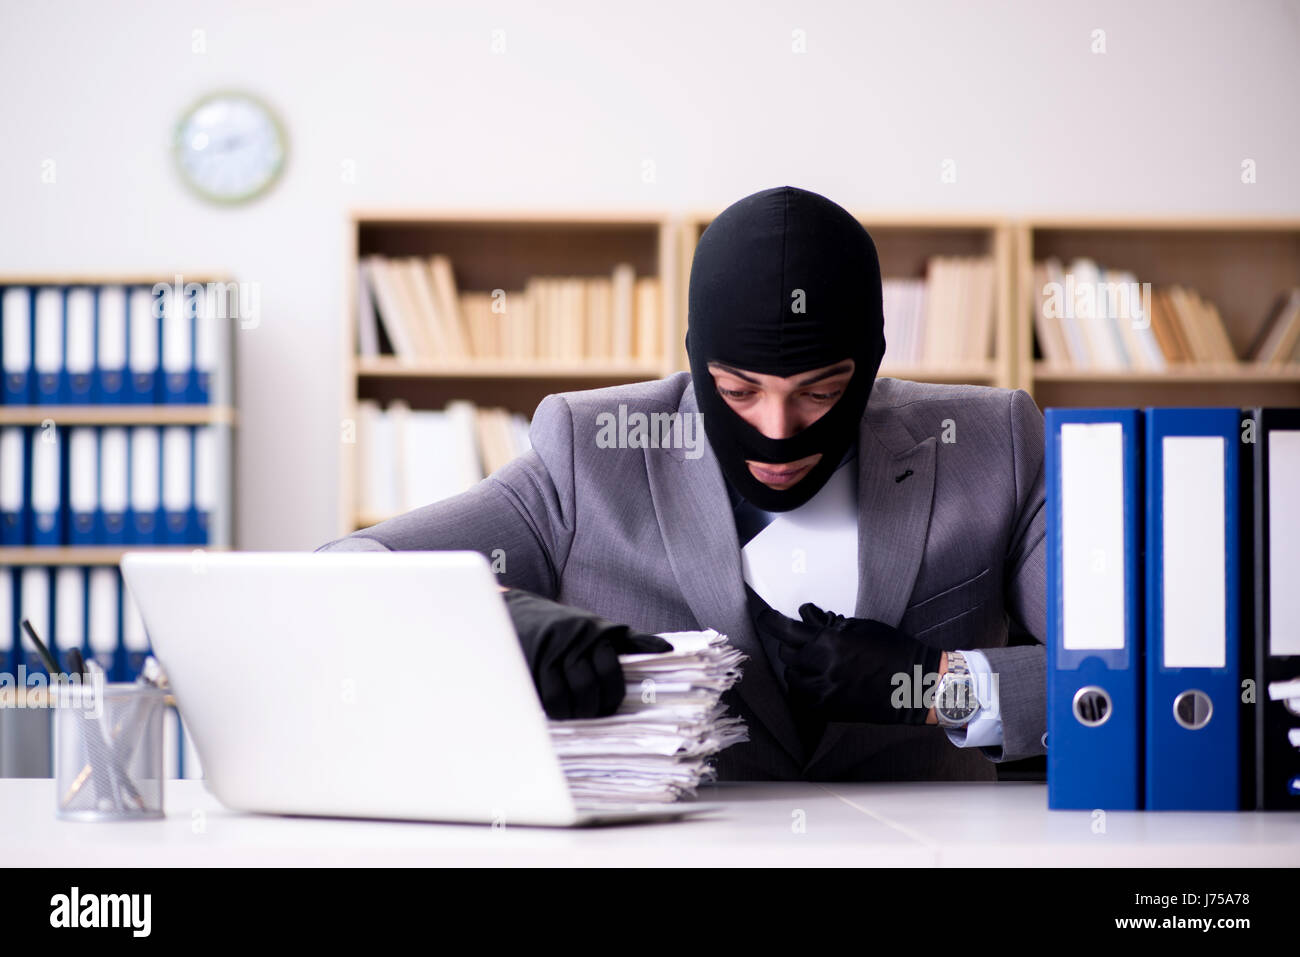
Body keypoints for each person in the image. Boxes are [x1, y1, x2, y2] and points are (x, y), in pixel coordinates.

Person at [316, 186, 1046, 782]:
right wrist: (500, 617)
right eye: (737, 390)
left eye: (820, 392)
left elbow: (1144, 678)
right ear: (696, 361)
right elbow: (345, 572)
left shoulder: (994, 444)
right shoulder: (592, 452)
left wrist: (941, 685)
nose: (779, 429)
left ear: (873, 358)